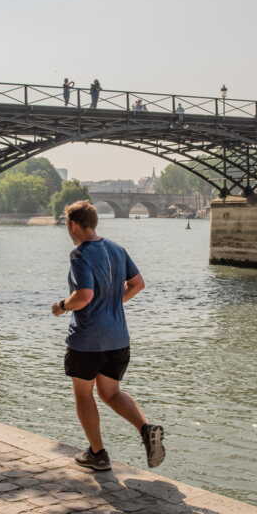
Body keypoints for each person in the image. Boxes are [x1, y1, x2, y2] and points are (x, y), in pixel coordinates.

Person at [51, 201, 165, 471]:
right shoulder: (117, 249)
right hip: (118, 338)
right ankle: (145, 428)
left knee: (84, 395)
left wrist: (62, 306)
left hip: (88, 339)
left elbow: (84, 296)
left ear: (74, 225)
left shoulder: (80, 254)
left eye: (67, 224)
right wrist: (114, 302)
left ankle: (97, 454)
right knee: (111, 393)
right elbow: (138, 284)